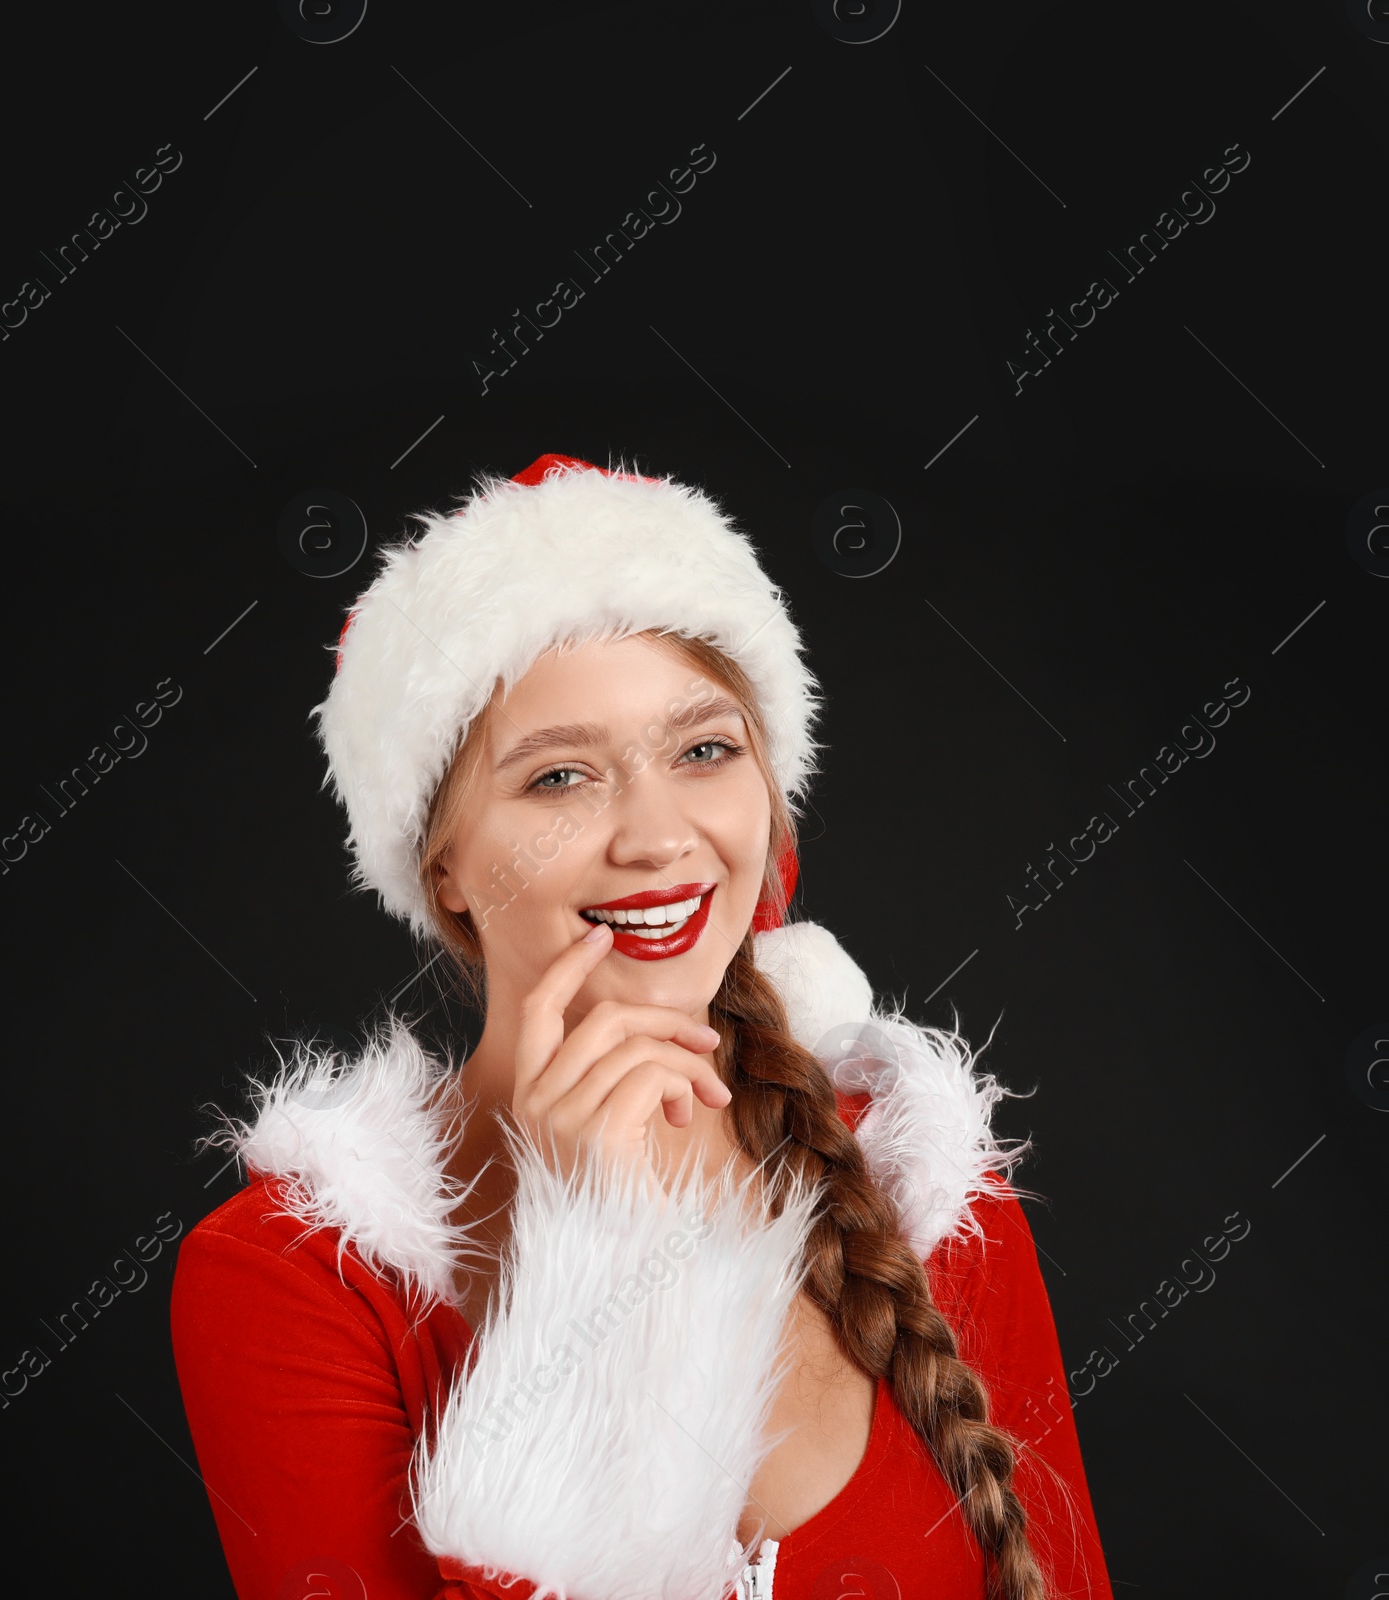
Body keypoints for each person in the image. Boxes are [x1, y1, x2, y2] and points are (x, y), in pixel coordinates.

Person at [171, 454, 1115, 1600]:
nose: (658, 836)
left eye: (704, 750)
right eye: (561, 776)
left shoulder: (924, 1181)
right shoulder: (290, 1277)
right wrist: (585, 1263)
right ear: (447, 868)